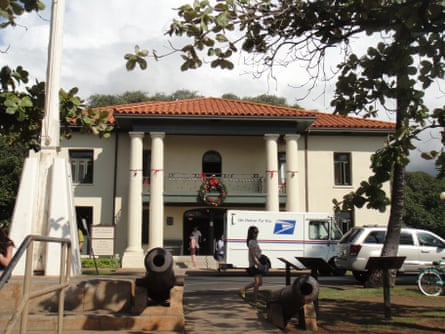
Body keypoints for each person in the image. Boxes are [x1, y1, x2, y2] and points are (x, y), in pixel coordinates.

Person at [240, 226, 263, 302]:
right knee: (257, 282)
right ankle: (255, 299)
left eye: (257, 232)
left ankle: (244, 289)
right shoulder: (252, 242)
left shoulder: (254, 241)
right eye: (255, 232)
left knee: (260, 283)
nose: (257, 234)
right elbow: (253, 255)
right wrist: (258, 264)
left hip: (256, 263)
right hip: (255, 264)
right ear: (251, 233)